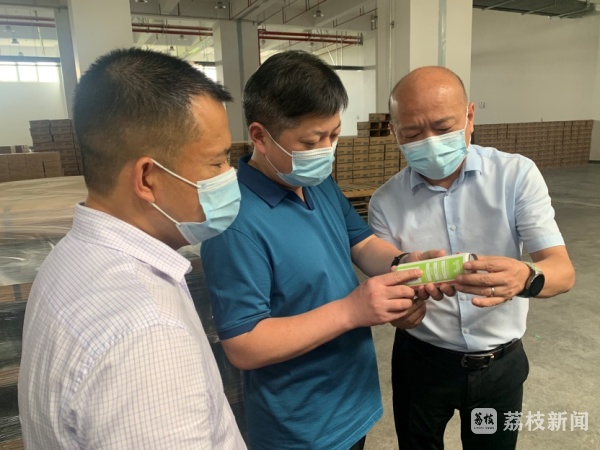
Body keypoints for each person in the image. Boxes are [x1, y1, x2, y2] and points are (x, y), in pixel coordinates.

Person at [200, 50, 451, 450]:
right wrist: (352, 310)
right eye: (311, 141)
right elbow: (244, 344)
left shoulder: (316, 182)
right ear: (260, 136)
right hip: (302, 425)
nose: (325, 150)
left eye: (333, 135)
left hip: (353, 398)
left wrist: (405, 263)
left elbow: (361, 242)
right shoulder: (234, 222)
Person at [18, 48, 246, 449]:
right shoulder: (147, 335)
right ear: (147, 178)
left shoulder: (71, 258)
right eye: (217, 163)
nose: (230, 176)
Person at [368, 66, 576, 450]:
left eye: (443, 127)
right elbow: (390, 284)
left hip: (498, 368)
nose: (430, 142)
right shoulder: (386, 201)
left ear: (470, 115)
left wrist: (526, 276)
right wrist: (401, 312)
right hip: (421, 363)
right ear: (394, 132)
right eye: (412, 133)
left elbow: (562, 272)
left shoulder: (515, 176)